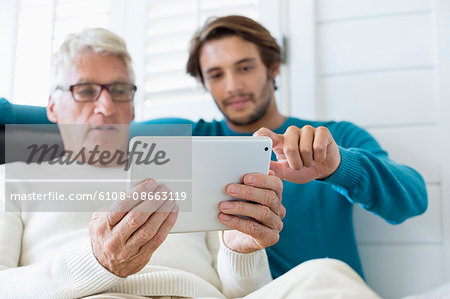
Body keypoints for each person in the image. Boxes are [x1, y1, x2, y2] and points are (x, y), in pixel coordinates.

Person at [0, 28, 287, 299]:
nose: (107, 107)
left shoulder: (188, 165)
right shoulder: (13, 176)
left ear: (133, 106)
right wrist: (96, 263)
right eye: (86, 91)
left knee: (325, 273)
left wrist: (241, 254)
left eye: (120, 91)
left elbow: (247, 293)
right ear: (52, 106)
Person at [186, 15, 428, 280]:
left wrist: (339, 167)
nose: (233, 86)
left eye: (245, 68)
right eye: (216, 74)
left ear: (273, 67)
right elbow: (130, 132)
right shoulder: (192, 137)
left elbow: (413, 200)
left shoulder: (334, 137)